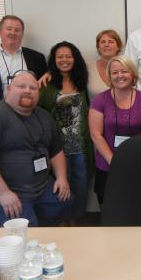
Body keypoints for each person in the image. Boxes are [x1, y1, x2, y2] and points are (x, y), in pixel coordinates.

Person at [0, 71, 72, 226]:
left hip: (38, 185)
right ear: (8, 90)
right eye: (21, 86)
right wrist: (3, 193)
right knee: (25, 229)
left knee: (65, 202)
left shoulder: (45, 117)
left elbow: (56, 151)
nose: (28, 90)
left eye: (33, 88)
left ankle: (41, 236)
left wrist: (61, 178)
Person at [38, 41, 94, 223]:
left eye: (68, 56)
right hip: (57, 150)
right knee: (60, 190)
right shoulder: (46, 85)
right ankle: (61, 223)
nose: (64, 60)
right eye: (60, 56)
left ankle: (76, 223)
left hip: (80, 148)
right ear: (53, 60)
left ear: (75, 59)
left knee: (80, 188)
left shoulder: (83, 82)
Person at [88, 56, 141, 204]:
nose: (120, 76)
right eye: (115, 72)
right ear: (109, 76)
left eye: (124, 71)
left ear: (132, 74)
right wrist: (114, 162)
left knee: (134, 206)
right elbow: (96, 134)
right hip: (107, 165)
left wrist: (134, 161)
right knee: (108, 207)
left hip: (136, 164)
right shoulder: (100, 100)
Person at [0, 15, 47, 118]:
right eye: (9, 29)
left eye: (17, 30)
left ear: (22, 34)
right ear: (0, 32)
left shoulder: (37, 58)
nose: (13, 33)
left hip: (30, 118)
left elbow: (44, 91)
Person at [87, 29, 123, 100]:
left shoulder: (127, 67)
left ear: (118, 47)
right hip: (95, 110)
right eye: (103, 42)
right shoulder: (88, 68)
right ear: (98, 47)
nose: (106, 45)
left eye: (111, 42)